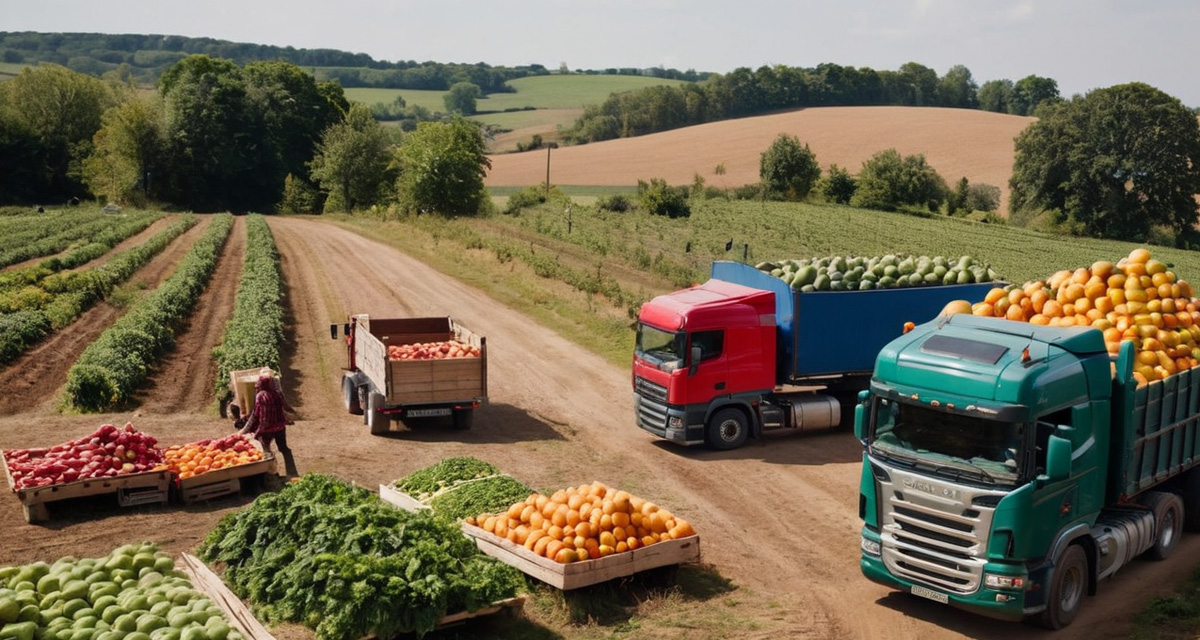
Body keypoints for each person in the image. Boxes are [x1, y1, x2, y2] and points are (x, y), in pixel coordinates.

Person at [239, 375, 298, 477]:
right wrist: (291, 415)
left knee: (266, 450)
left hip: (267, 430)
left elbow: (258, 415)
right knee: (284, 449)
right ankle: (292, 472)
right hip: (280, 427)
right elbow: (283, 407)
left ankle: (272, 474)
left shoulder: (261, 396)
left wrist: (255, 431)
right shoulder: (278, 393)